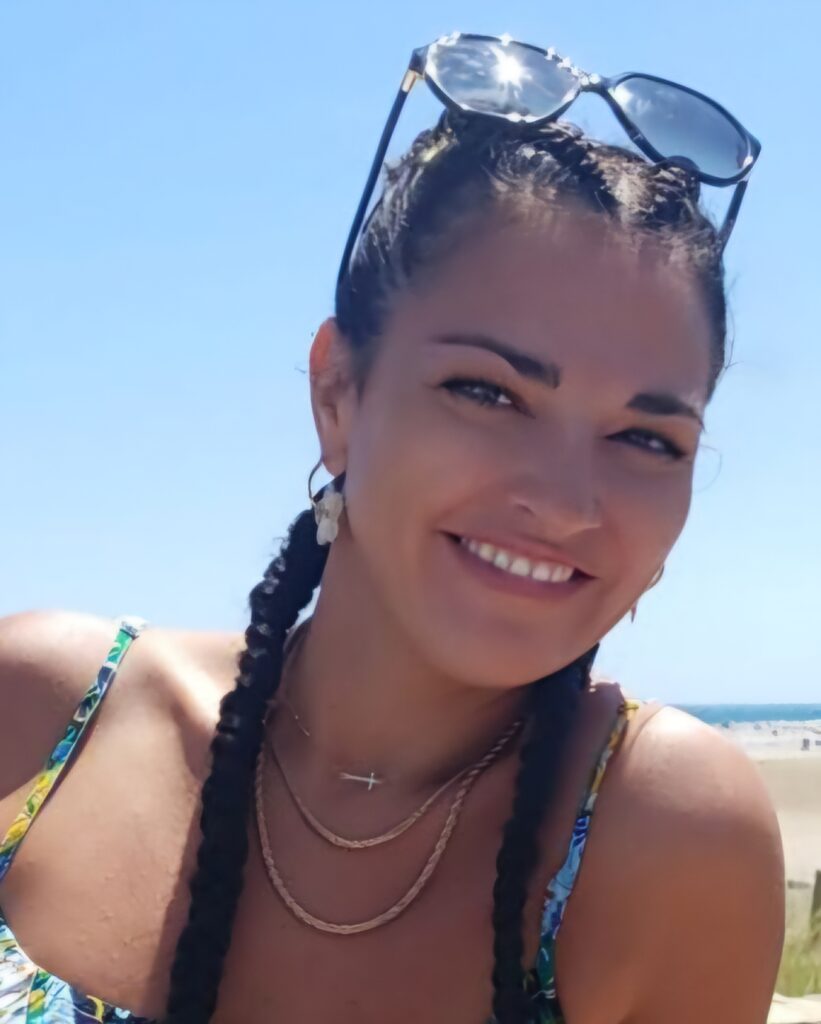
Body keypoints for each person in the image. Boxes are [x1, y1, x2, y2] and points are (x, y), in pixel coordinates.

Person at [0, 32, 785, 1024]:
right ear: (337, 393)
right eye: (487, 392)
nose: (565, 501)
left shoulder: (662, 832)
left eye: (646, 437)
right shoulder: (44, 715)